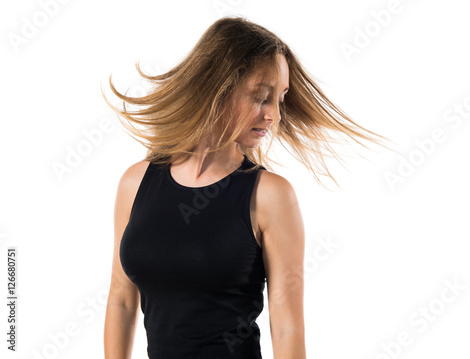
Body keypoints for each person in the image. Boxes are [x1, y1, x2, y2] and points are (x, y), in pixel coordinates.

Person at [103, 16, 393, 359]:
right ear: (216, 87)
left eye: (280, 99)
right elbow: (121, 299)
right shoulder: (135, 183)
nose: (274, 115)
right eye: (261, 97)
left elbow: (286, 326)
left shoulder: (270, 196)